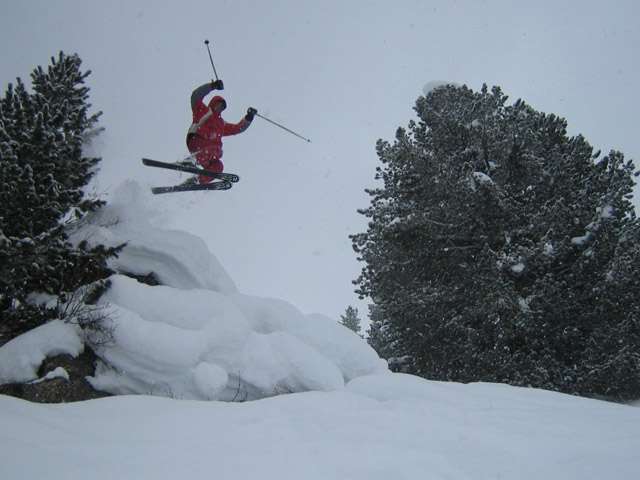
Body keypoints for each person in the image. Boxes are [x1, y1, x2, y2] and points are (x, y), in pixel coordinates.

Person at [186, 79, 257, 184]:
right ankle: (190, 162)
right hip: (197, 141)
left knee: (218, 166)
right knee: (213, 149)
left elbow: (238, 128)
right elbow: (196, 96)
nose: (220, 108)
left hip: (208, 154)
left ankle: (197, 180)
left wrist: (249, 117)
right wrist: (213, 86)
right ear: (213, 103)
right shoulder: (203, 110)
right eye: (218, 105)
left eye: (222, 107)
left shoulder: (221, 124)